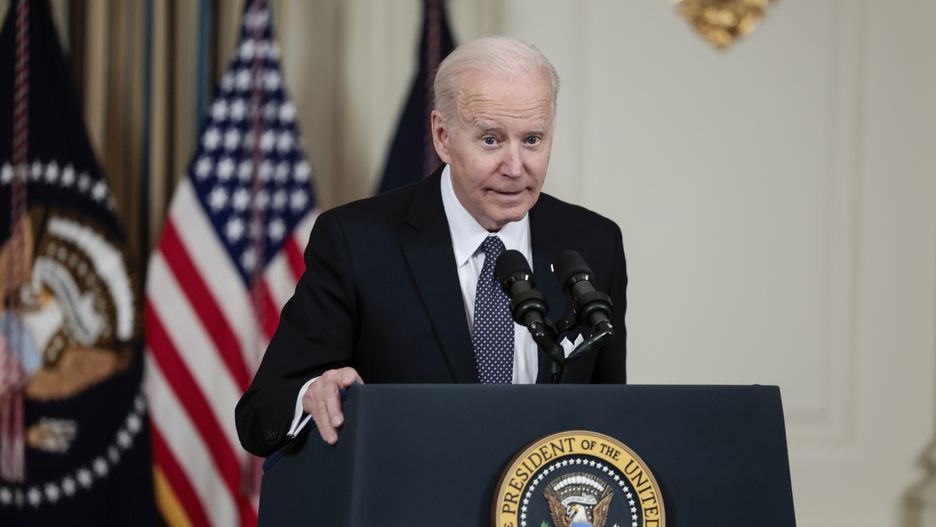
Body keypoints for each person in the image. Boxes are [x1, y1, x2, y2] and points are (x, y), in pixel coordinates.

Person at [235, 37, 628, 457]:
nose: (516, 168)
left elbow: (611, 415)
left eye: (532, 139)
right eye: (491, 140)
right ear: (443, 137)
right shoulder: (356, 241)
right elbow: (262, 412)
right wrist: (312, 394)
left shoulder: (593, 243)